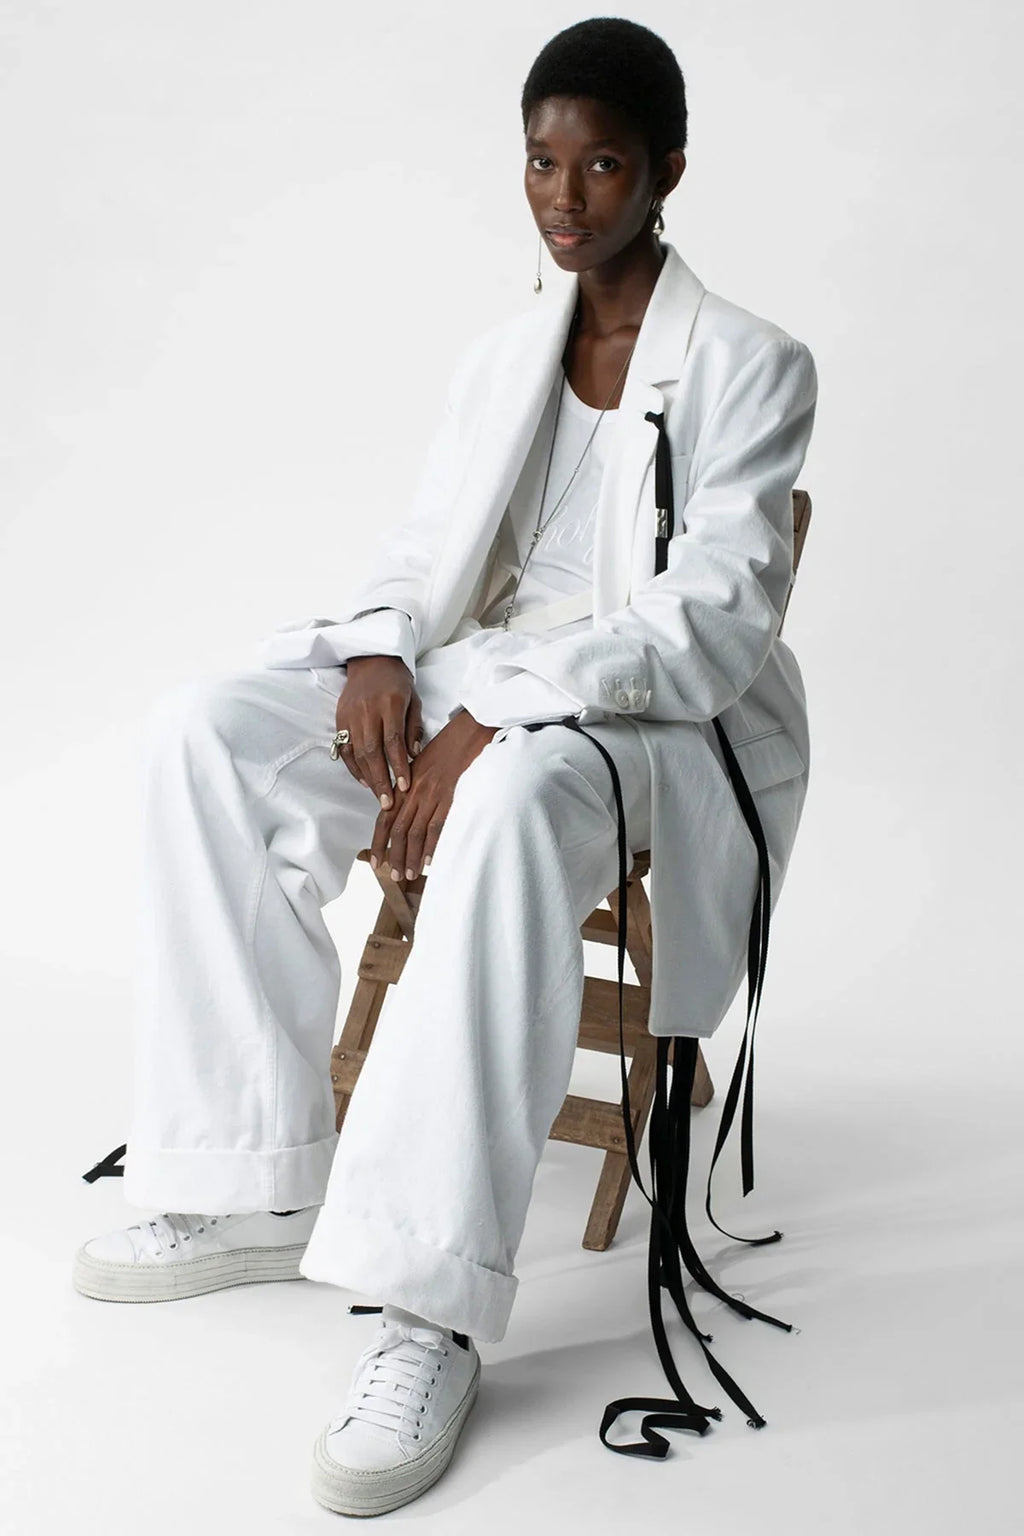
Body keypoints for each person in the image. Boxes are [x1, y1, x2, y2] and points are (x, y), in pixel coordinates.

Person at [73, 17, 818, 1518]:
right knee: (206, 733)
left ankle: (426, 1307)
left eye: (601, 165)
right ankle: (251, 1175)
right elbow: (427, 547)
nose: (565, 198)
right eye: (542, 162)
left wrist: (499, 720)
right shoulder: (504, 355)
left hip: (646, 714)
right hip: (481, 669)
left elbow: (711, 626)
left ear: (667, 172)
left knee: (516, 803)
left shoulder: (753, 365)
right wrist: (379, 652)